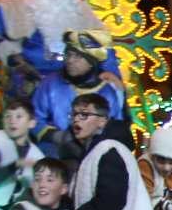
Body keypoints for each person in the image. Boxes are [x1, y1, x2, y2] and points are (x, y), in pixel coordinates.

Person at [32, 29, 125, 162]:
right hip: (53, 155)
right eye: (68, 55)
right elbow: (35, 118)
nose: (70, 60)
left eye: (77, 57)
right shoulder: (50, 83)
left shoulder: (108, 92)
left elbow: (115, 128)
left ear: (91, 62)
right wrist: (57, 136)